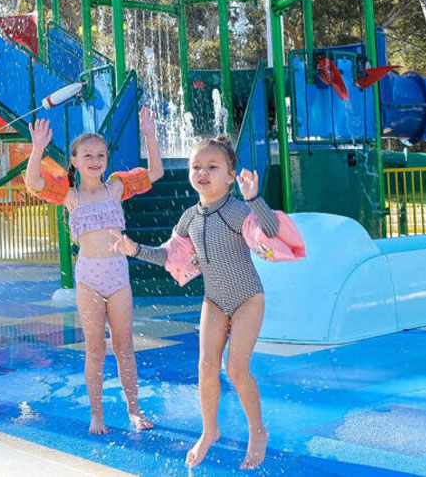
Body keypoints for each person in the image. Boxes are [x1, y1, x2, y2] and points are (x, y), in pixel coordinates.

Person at [120, 136, 276, 470]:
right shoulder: (190, 218)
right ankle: (209, 430)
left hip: (248, 297)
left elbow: (271, 231)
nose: (202, 172)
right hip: (215, 300)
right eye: (196, 166)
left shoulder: (237, 210)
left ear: (231, 175)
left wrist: (255, 199)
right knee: (205, 366)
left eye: (212, 167)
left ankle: (258, 431)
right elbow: (170, 257)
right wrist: (134, 249)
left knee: (235, 368)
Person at [24, 107, 164, 435]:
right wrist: (38, 149)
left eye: (100, 154)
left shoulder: (115, 187)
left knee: (124, 346)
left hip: (117, 275)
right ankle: (97, 415)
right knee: (95, 348)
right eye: (87, 155)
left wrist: (149, 135)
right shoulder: (69, 195)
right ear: (73, 160)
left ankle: (133, 409)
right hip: (88, 277)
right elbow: (33, 182)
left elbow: (155, 172)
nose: (95, 160)